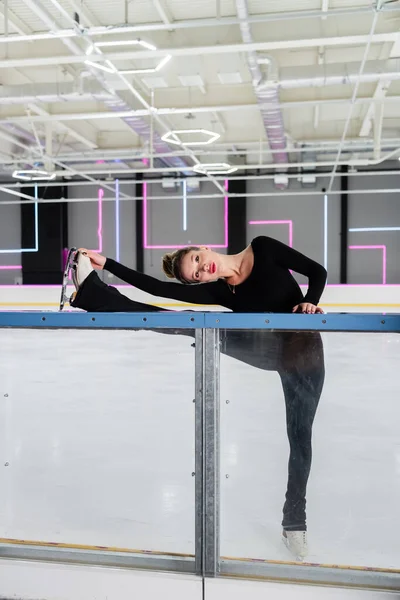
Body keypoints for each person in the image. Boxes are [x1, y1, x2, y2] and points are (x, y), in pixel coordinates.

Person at [69, 236, 327, 560]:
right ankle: (93, 291)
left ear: (201, 248)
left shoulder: (263, 249)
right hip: (265, 348)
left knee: (300, 439)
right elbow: (157, 289)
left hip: (304, 352)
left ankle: (294, 525)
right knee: (183, 322)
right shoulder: (219, 290)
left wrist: (310, 301)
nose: (202, 270)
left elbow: (317, 271)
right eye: (196, 276)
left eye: (195, 261)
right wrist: (106, 265)